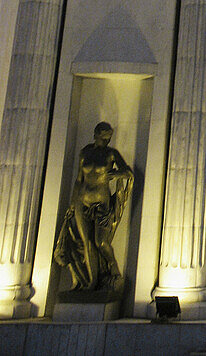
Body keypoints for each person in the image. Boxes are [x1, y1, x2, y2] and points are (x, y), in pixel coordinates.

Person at [54, 122, 134, 291]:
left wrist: (117, 173)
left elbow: (128, 172)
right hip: (82, 200)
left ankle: (112, 267)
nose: (106, 141)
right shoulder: (85, 153)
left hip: (101, 203)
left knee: (101, 242)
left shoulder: (111, 154)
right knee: (86, 242)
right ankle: (91, 281)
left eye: (108, 138)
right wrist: (72, 204)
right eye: (104, 138)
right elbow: (78, 180)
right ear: (96, 135)